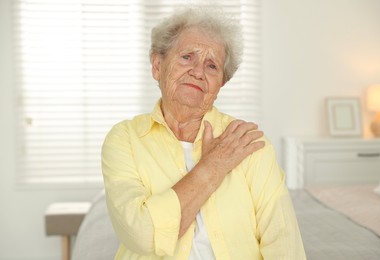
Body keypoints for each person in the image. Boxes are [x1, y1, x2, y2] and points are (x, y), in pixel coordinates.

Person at [102, 7, 306, 260]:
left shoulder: (248, 141)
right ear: (157, 66)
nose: (198, 71)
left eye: (212, 65)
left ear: (221, 83)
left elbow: (283, 243)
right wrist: (213, 166)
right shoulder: (125, 139)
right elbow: (142, 236)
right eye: (187, 57)